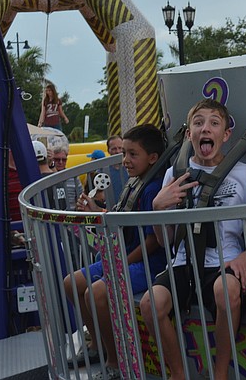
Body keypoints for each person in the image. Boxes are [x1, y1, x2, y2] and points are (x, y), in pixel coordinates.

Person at [140, 99, 246, 379]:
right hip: (183, 261)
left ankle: (220, 373)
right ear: (189, 134)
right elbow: (166, 241)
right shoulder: (174, 175)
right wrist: (157, 208)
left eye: (214, 123)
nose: (205, 128)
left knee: (226, 292)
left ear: (225, 135)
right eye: (198, 123)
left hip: (225, 261)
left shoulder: (245, 176)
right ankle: (179, 373)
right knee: (150, 304)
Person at [63, 124, 167, 378]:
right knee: (71, 283)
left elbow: (153, 241)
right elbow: (122, 216)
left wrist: (120, 263)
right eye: (124, 154)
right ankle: (97, 345)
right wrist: (95, 211)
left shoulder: (153, 188)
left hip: (148, 262)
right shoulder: (136, 182)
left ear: (152, 158)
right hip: (126, 255)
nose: (125, 160)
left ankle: (116, 361)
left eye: (133, 154)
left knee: (96, 293)